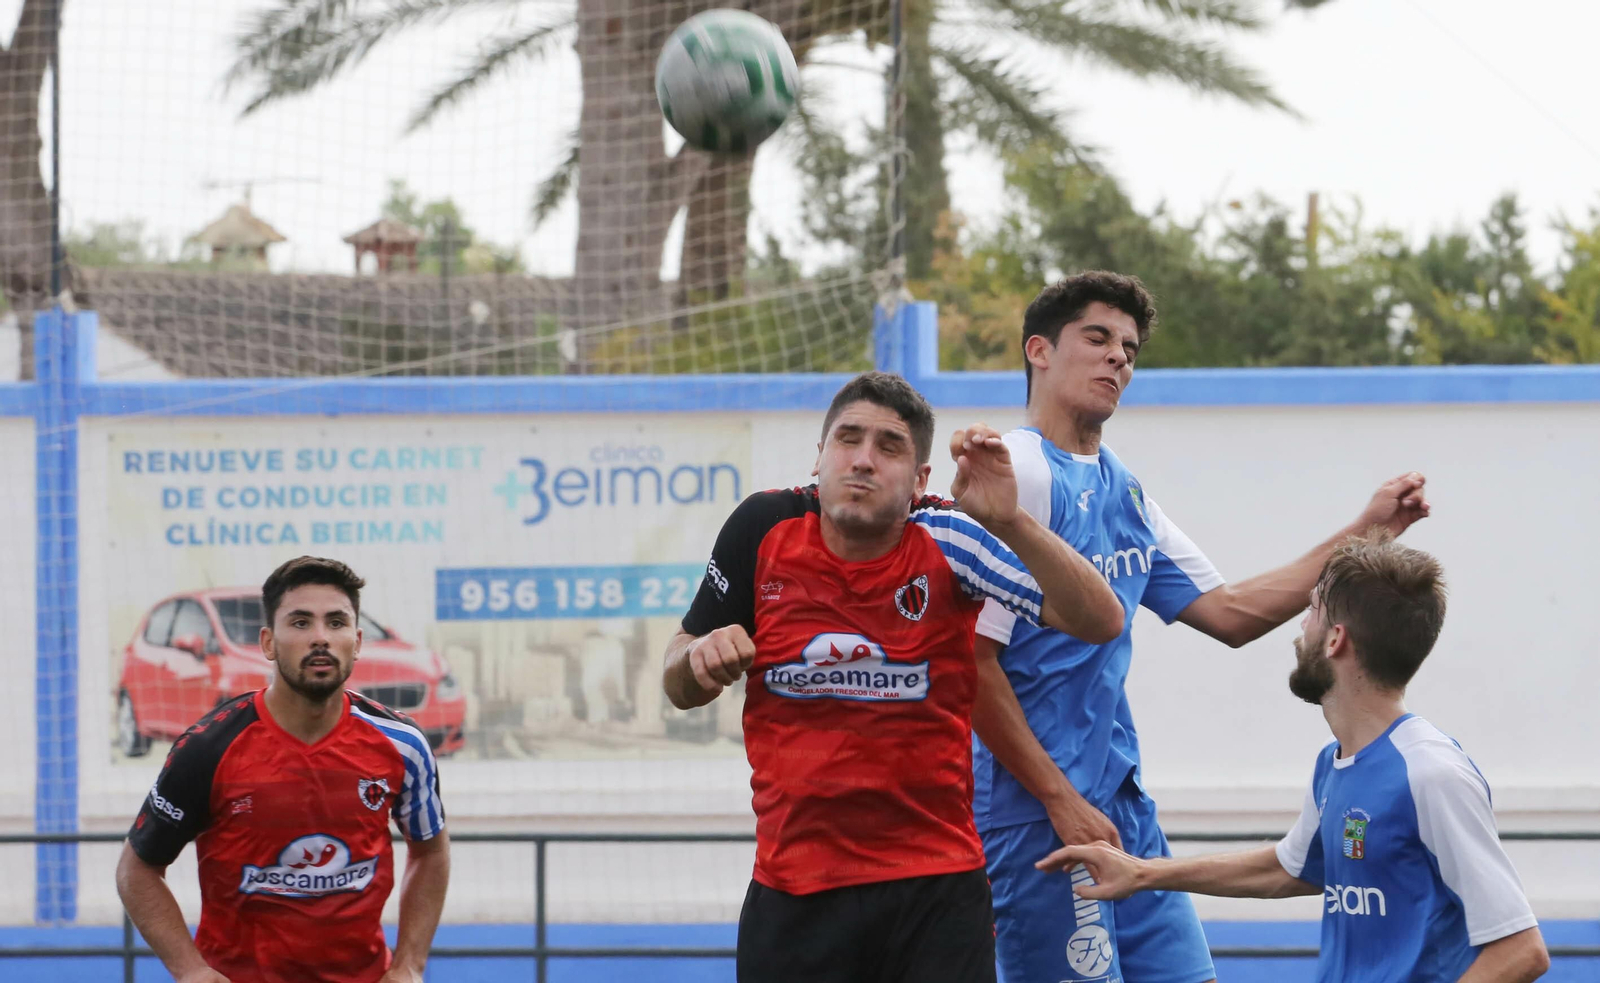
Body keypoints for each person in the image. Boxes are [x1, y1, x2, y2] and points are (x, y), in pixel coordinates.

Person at [970, 270, 1432, 983]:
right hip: (1034, 813)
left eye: (1129, 346)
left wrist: (1366, 530)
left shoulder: (1122, 486)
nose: (1118, 356)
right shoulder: (1020, 473)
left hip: (1121, 805)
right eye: (1097, 337)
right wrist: (1059, 800)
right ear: (1039, 349)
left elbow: (1233, 612)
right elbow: (970, 663)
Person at [662, 370, 1124, 983]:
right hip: (794, 893)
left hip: (935, 890)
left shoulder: (950, 537)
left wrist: (1011, 522)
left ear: (919, 480)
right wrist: (696, 661)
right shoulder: (763, 527)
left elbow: (1100, 620)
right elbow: (677, 677)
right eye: (847, 440)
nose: (863, 461)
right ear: (819, 457)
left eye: (889, 447)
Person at [1036, 534, 1550, 983]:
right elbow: (1290, 868)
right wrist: (1142, 873)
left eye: (1312, 612)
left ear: (1335, 639)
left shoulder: (1431, 773)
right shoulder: (1336, 762)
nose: (1297, 629)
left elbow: (1520, 951)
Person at [115, 556, 450, 983]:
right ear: (269, 643)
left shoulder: (404, 744)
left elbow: (431, 850)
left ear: (358, 640)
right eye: (300, 623)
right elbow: (137, 869)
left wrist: (409, 964)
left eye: (336, 622)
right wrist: (190, 970)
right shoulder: (208, 748)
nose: (321, 638)